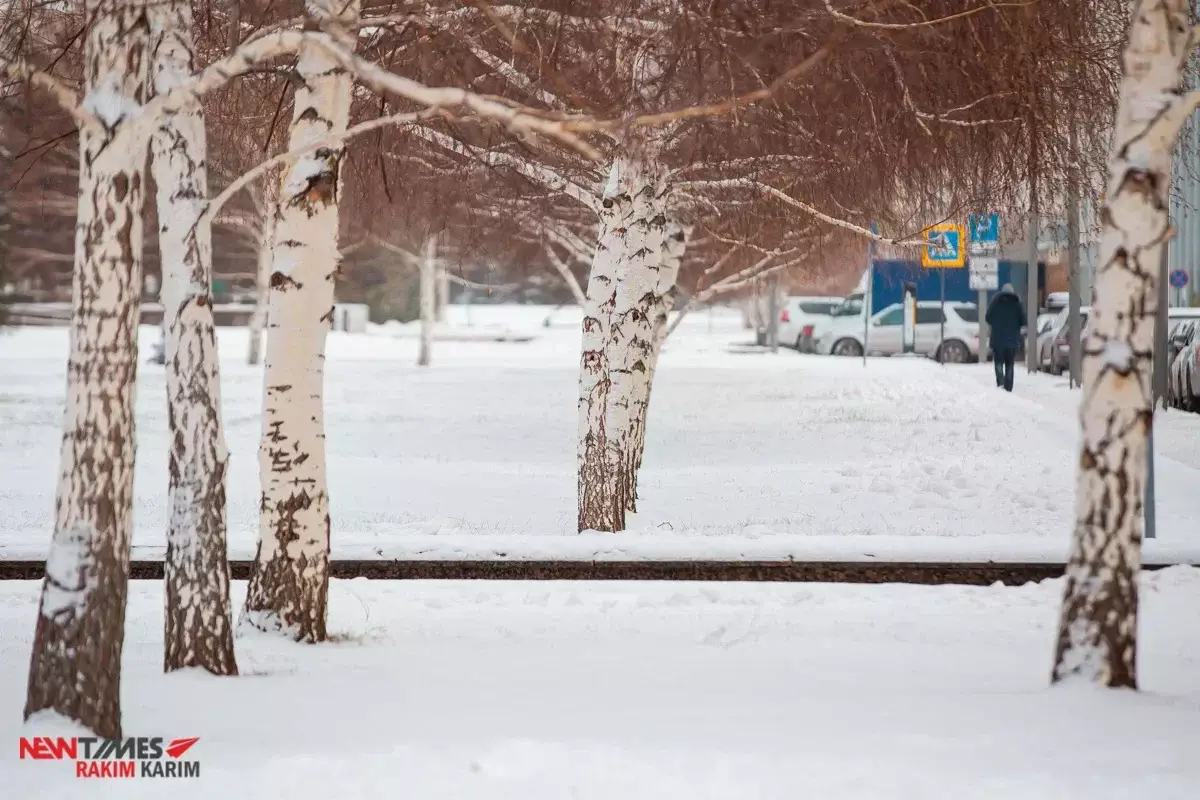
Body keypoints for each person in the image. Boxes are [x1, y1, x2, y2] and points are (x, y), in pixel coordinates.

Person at [985, 283, 1026, 392]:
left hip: (997, 340)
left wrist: (996, 323)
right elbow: (1023, 321)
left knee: (998, 362)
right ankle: (1008, 387)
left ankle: (1001, 383)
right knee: (1009, 364)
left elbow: (987, 317)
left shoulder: (995, 302)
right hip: (1012, 341)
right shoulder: (1017, 304)